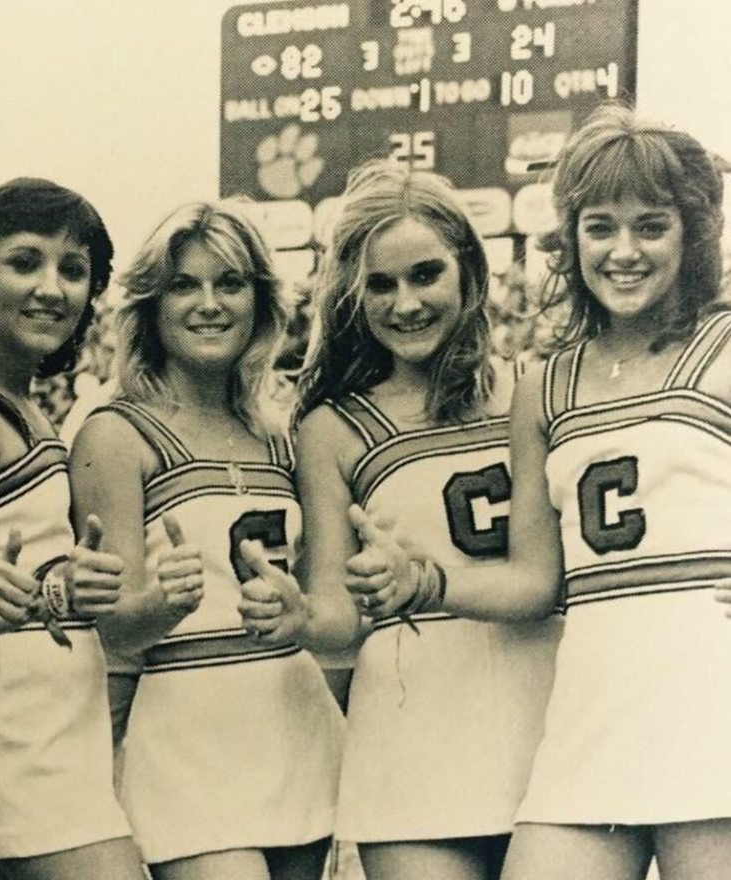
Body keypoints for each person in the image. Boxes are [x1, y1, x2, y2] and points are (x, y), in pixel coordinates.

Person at [342, 106, 731, 880]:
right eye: (601, 227)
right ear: (571, 235)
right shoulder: (544, 384)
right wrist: (424, 580)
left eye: (651, 226)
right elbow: (533, 580)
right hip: (591, 705)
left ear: (691, 234)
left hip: (711, 693)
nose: (624, 251)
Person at [238, 160, 561, 880]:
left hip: (546, 716)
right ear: (351, 294)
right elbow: (338, 619)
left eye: (426, 274)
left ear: (468, 273)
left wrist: (424, 580)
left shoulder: (534, 392)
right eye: (380, 284)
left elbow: (550, 579)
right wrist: (299, 615)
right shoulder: (332, 428)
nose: (405, 302)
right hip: (412, 732)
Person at [70, 201, 344, 880]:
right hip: (188, 735)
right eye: (184, 286)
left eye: (230, 283)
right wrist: (161, 604)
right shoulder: (117, 432)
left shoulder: (281, 431)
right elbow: (112, 631)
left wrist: (300, 609)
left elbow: (323, 600)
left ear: (260, 300)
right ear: (151, 307)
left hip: (293, 719)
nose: (209, 304)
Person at [0, 177, 145, 880]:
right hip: (7, 734)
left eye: (73, 270)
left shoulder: (23, 402)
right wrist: (48, 592)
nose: (52, 287)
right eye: (25, 262)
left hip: (56, 729)